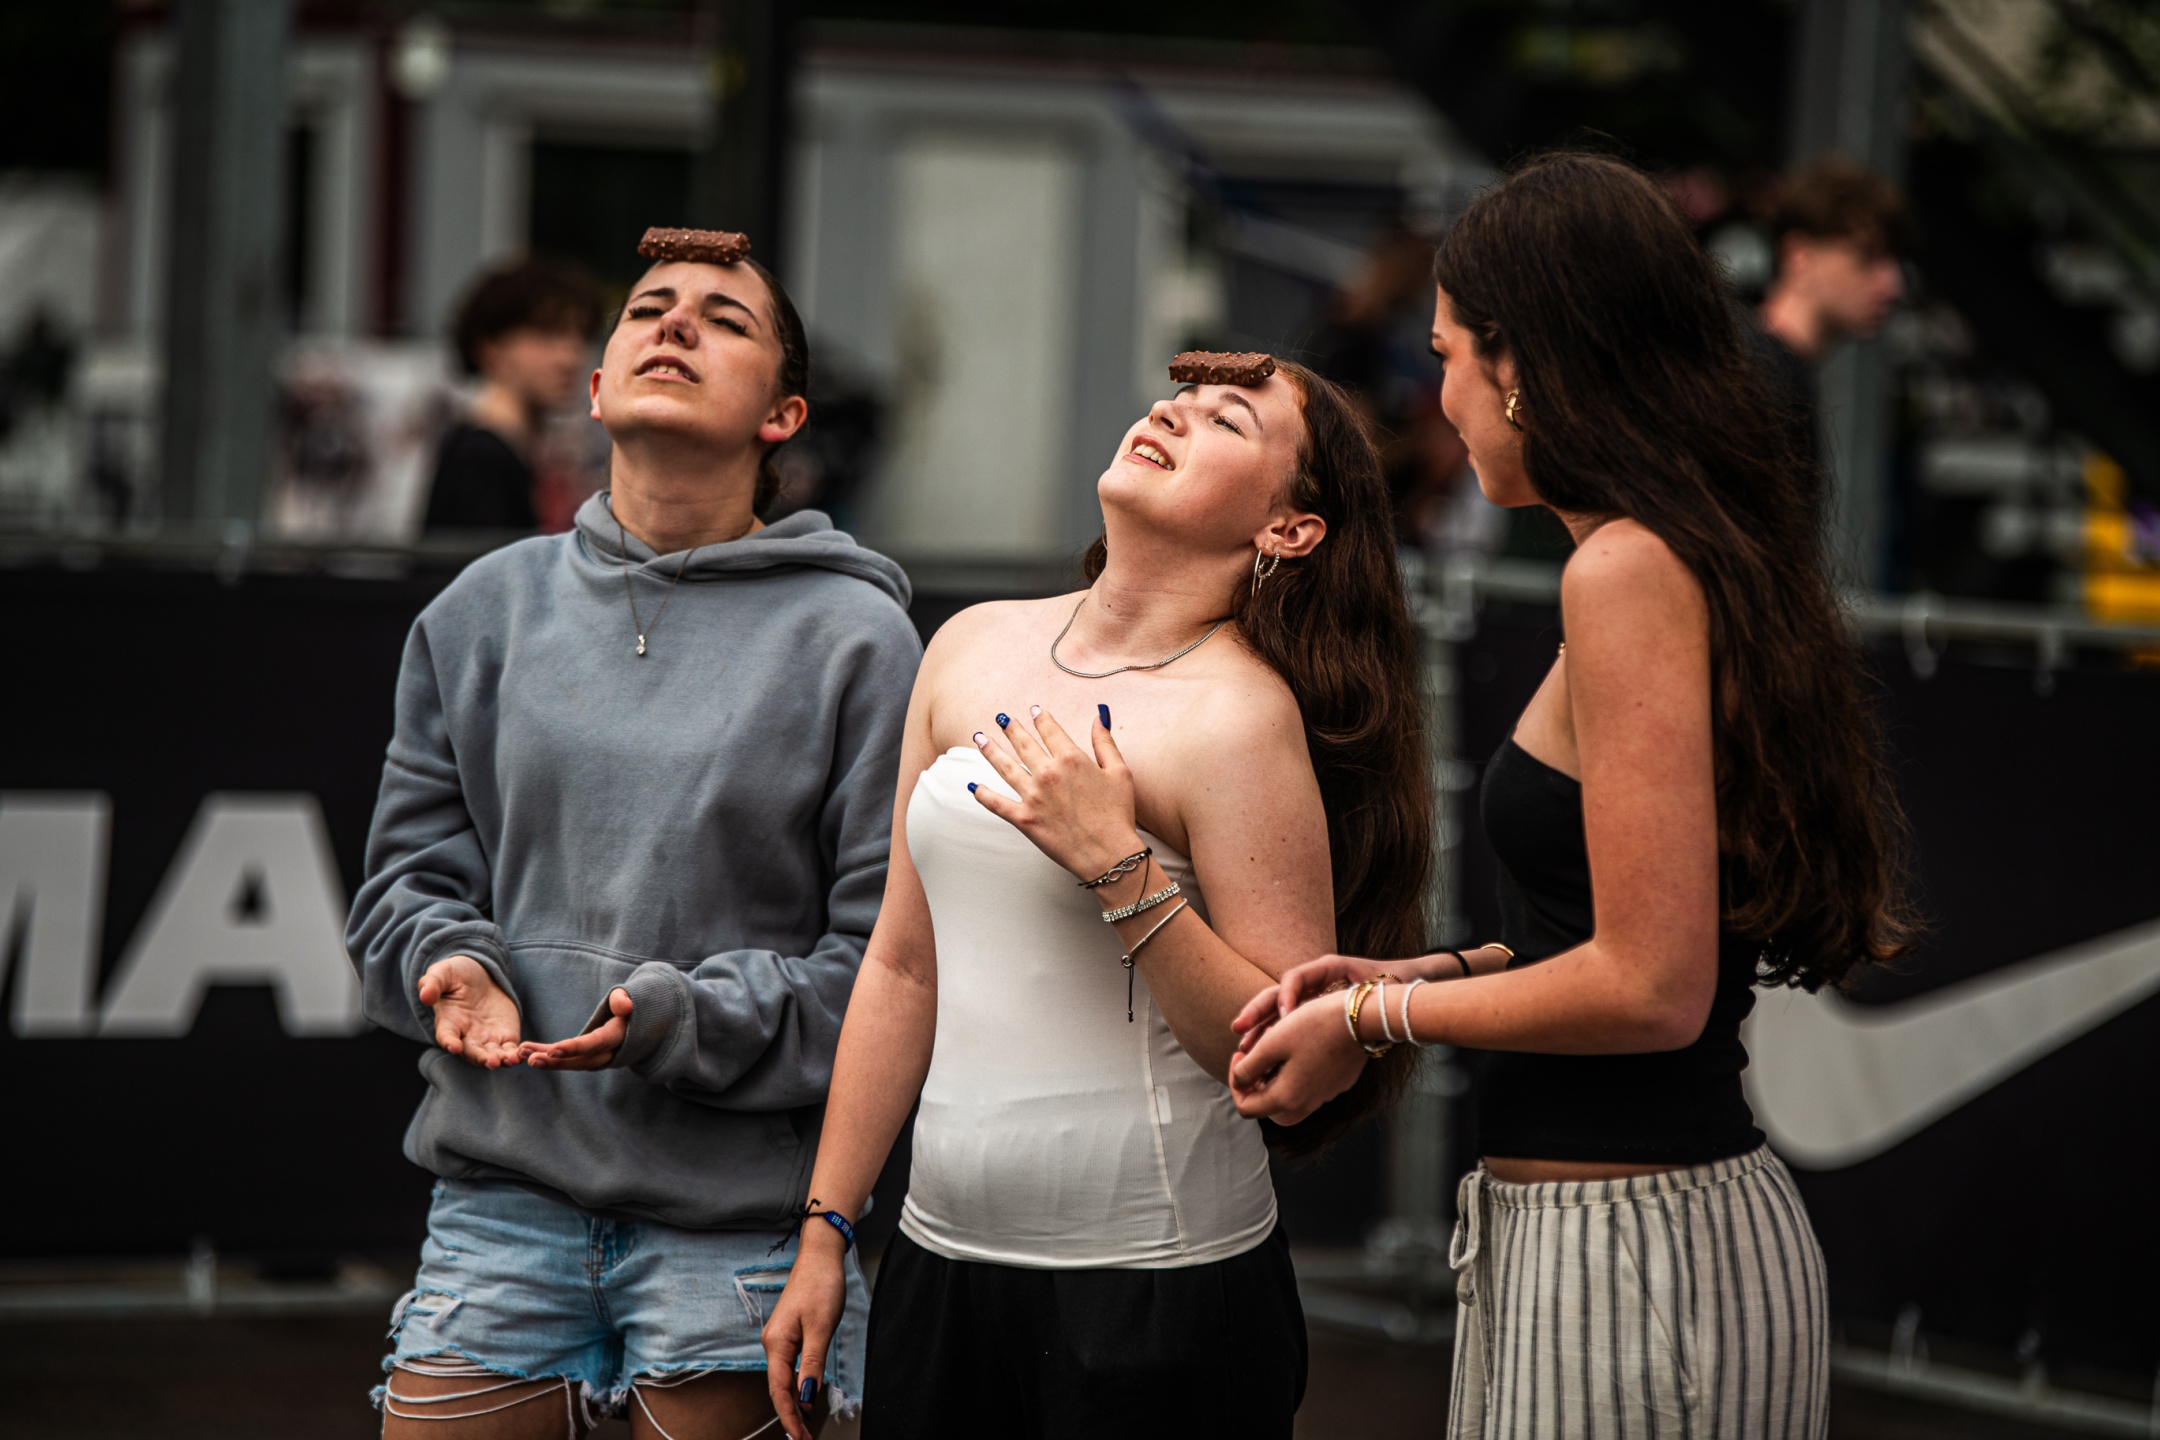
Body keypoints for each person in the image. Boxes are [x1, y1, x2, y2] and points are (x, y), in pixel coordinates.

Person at [1031, 155, 1918, 1437]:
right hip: (1603, 1235)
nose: (1439, 398)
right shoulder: (1654, 556)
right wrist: (1427, 974)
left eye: (1448, 355)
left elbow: (1654, 988)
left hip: (1636, 1250)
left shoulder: (1627, 572)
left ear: (1521, 365)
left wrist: (1377, 1014)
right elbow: (1615, 932)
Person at [757, 354, 1433, 1440]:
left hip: (1158, 1291)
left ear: (1289, 529)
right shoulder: (970, 642)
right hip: (937, 1265)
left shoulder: (1239, 716)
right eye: (1179, 397)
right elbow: (902, 964)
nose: (1171, 412)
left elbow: (1279, 1060)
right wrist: (827, 1230)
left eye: (1228, 420)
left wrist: (1119, 864)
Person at [347, 230, 921, 1437]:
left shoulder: (860, 640)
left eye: (726, 318)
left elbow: (886, 970)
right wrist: (451, 964)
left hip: (745, 1224)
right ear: (599, 388)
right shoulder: (479, 610)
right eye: (650, 307)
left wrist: (680, 1018)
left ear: (783, 415)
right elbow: (404, 884)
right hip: (501, 1201)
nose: (676, 323)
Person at [1752, 158, 1915, 475]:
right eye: (1867, 257)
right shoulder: (1760, 381)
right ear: (1799, 256)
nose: (1893, 285)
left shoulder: (1773, 371)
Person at [423, 258, 604, 534]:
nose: (571, 357)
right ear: (490, 347)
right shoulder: (483, 458)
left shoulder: (506, 450)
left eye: (582, 336)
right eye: (547, 335)